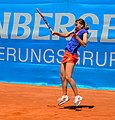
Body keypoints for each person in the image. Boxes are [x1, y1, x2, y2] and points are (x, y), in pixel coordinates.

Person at [50, 18, 89, 106]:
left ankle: (77, 96)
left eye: (77, 24)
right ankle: (64, 96)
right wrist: (56, 33)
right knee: (62, 76)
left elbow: (84, 44)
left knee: (68, 77)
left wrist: (76, 37)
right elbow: (66, 35)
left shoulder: (84, 32)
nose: (75, 26)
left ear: (81, 25)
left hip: (72, 55)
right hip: (66, 54)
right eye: (75, 24)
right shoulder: (75, 30)